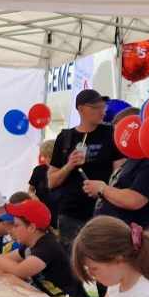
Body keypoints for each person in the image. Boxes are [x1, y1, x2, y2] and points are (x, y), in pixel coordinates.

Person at [0, 196, 90, 297]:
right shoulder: (29, 245)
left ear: (31, 227)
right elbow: (7, 259)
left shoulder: (47, 246)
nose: (12, 229)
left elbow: (19, 271)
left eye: (16, 225)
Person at [46, 90, 116, 244]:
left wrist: (106, 191)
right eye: (96, 107)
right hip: (71, 214)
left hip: (103, 212)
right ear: (81, 109)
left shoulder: (111, 133)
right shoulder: (65, 137)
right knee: (72, 256)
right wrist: (69, 165)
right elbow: (51, 182)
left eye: (103, 107)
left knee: (102, 255)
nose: (102, 111)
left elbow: (119, 173)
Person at [86, 149, 149, 230]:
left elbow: (134, 200)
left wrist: (102, 189)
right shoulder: (137, 158)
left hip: (127, 233)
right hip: (110, 229)